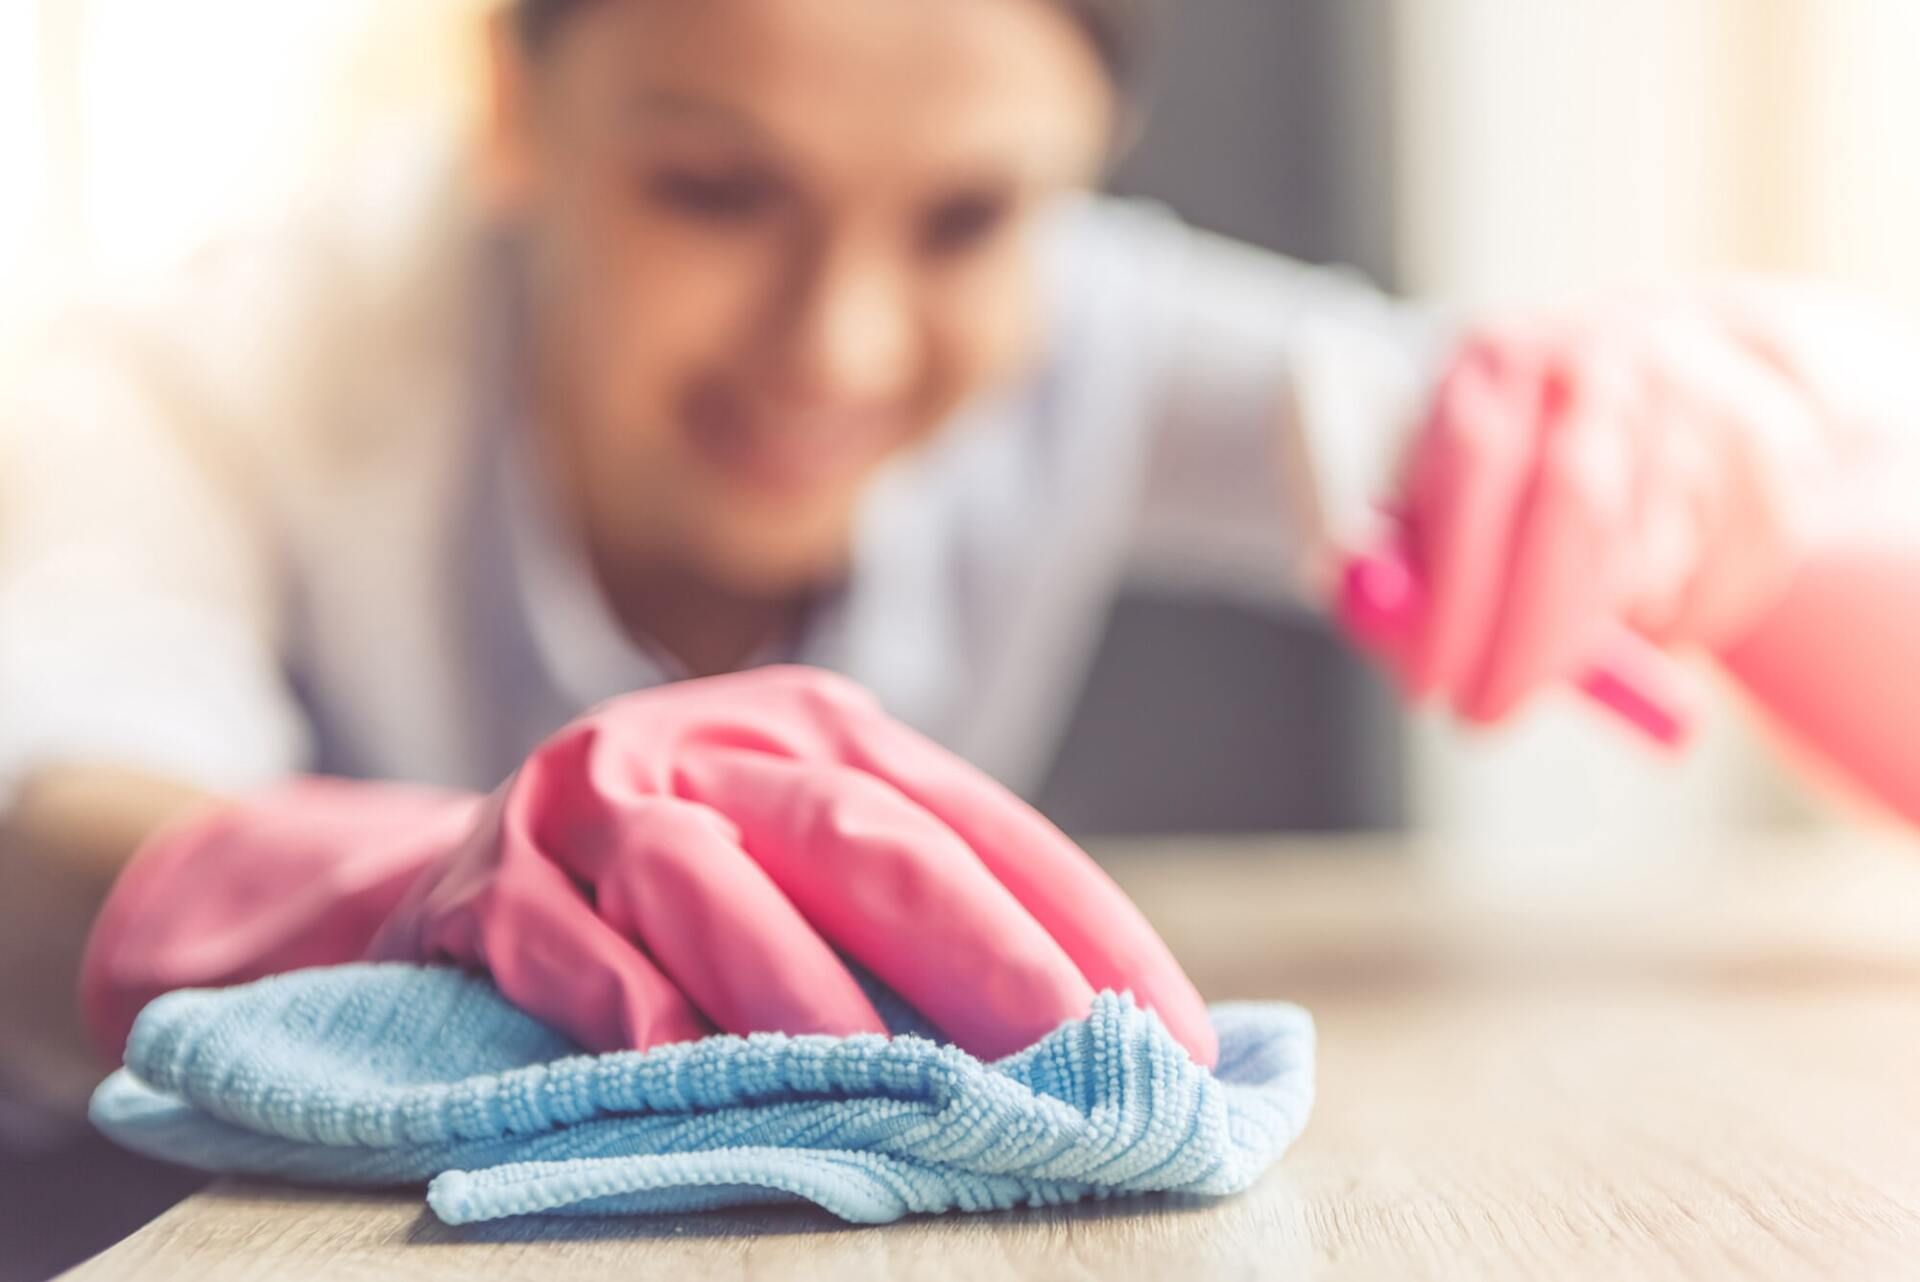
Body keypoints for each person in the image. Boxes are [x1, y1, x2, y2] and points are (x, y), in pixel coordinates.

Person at [4, 0, 1919, 1082]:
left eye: (969, 221)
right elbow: (41, 840)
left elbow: (1720, 517)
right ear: (513, 106)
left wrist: (1732, 464)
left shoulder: (1089, 332)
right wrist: (430, 882)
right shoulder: (204, 368)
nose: (838, 340)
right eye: (713, 188)